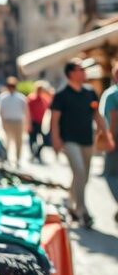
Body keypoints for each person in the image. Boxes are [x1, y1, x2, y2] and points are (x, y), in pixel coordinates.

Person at [51, 58, 109, 227]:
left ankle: (70, 203)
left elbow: (96, 114)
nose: (84, 72)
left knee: (83, 175)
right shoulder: (61, 95)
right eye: (80, 69)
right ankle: (83, 211)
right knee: (79, 170)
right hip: (69, 140)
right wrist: (55, 139)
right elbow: (54, 120)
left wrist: (105, 133)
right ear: (71, 74)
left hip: (87, 139)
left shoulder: (90, 92)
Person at [0, 76, 29, 164]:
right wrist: (2, 122)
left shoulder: (21, 98)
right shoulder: (2, 97)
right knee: (7, 141)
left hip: (18, 122)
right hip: (7, 121)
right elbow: (0, 111)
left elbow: (26, 112)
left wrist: (27, 124)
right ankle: (7, 158)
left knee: (19, 142)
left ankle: (17, 159)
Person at [27, 81, 52, 163]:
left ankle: (37, 153)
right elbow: (27, 112)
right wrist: (29, 123)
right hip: (33, 122)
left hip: (41, 123)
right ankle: (33, 154)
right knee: (33, 140)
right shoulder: (31, 98)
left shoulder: (44, 99)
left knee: (45, 140)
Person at [101, 64, 118, 177]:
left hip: (115, 133)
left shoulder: (112, 94)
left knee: (111, 174)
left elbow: (113, 117)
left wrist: (110, 136)